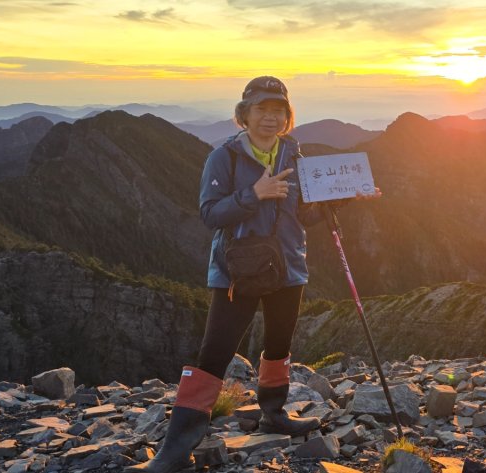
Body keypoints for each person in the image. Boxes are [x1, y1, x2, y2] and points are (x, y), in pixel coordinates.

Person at [129, 76, 381, 472]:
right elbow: (210, 213)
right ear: (244, 114)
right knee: (215, 353)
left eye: (278, 110)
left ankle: (273, 414)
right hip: (238, 272)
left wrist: (347, 196)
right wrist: (254, 194)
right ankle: (175, 449)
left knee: (279, 343)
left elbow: (304, 214)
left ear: (287, 116)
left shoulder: (294, 155)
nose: (270, 117)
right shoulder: (224, 158)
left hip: (288, 267)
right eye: (261, 109)